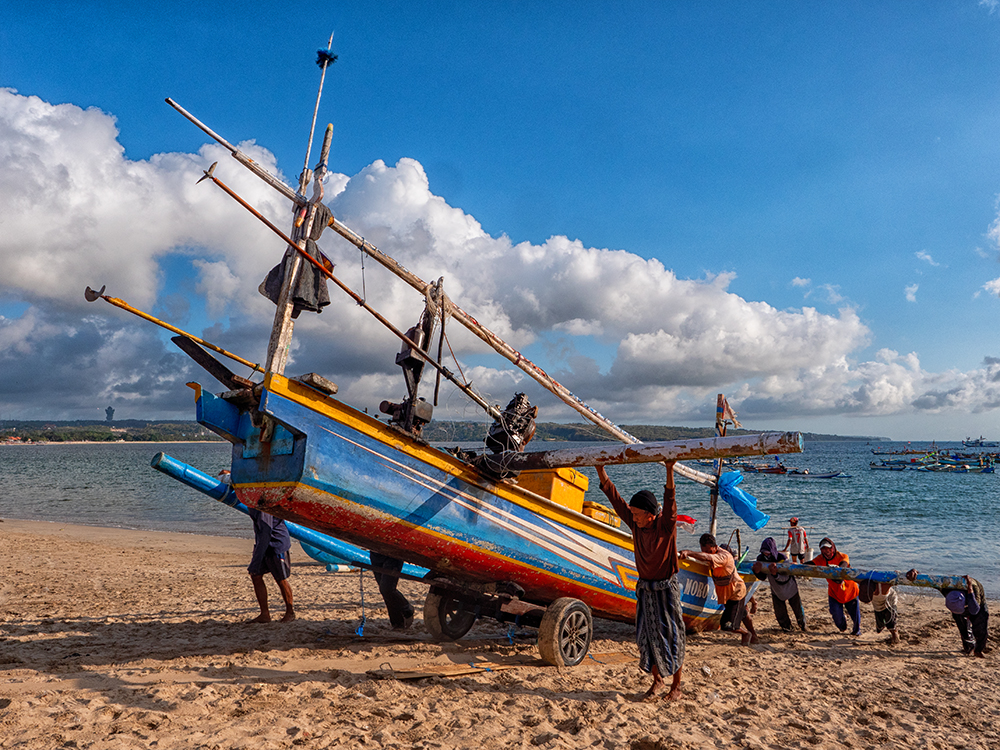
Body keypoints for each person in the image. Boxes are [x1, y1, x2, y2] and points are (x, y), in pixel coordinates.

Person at [597, 461, 684, 701]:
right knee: (646, 635)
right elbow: (616, 501)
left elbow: (670, 501)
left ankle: (676, 686)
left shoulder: (665, 527)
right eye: (632, 514)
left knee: (671, 634)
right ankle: (657, 680)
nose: (632, 518)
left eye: (637, 514)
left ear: (651, 515)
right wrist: (600, 469)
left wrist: (669, 468)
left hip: (666, 588)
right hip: (645, 588)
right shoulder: (636, 526)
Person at [680, 534, 758, 646]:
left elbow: (708, 558)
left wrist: (688, 552)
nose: (707, 553)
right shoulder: (712, 554)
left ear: (715, 547)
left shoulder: (724, 556)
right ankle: (754, 635)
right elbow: (706, 557)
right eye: (704, 551)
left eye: (709, 551)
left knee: (728, 625)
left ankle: (746, 634)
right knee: (743, 613)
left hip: (736, 593)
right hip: (725, 594)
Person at [906, 570, 988, 657]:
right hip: (957, 604)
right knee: (963, 628)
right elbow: (929, 579)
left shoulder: (974, 591)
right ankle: (968, 647)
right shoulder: (944, 587)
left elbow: (975, 610)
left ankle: (978, 650)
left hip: (976, 603)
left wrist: (970, 589)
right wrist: (915, 574)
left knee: (981, 628)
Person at [247, 507, 295, 623]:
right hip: (262, 543)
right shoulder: (251, 499)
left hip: (276, 543)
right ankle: (264, 614)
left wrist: (258, 556)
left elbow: (265, 531)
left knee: (280, 579)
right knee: (255, 575)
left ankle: (290, 612)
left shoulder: (263, 504)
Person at [806, 537, 860, 636]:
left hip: (850, 590)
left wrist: (838, 571)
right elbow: (811, 564)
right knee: (836, 614)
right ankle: (843, 626)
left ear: (833, 548)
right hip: (834, 592)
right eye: (823, 549)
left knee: (855, 614)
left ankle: (857, 631)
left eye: (828, 549)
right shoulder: (820, 559)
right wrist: (798, 565)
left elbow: (844, 564)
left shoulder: (842, 556)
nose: (826, 551)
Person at [752, 537, 806, 632]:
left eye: (768, 552)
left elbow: (786, 577)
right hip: (776, 590)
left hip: (790, 587)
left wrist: (775, 574)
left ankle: (803, 625)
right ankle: (787, 628)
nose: (766, 554)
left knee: (797, 609)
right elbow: (763, 577)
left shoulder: (782, 559)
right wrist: (757, 572)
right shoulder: (760, 559)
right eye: (764, 552)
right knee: (780, 612)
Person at [369, 551, 415, 630]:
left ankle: (406, 608)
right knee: (384, 591)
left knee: (387, 589)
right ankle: (398, 623)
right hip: (376, 555)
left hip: (393, 554)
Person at [859, 577, 900, 645]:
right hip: (877, 605)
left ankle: (895, 635)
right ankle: (882, 626)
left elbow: (896, 579)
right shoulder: (862, 584)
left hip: (889, 601)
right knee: (879, 627)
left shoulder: (884, 586)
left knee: (890, 622)